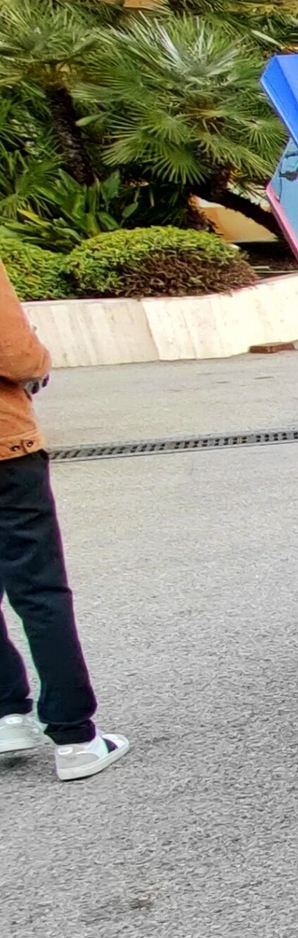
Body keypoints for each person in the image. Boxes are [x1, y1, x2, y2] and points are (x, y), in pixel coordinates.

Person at [0, 259, 128, 781]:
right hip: (6, 451)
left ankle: (7, 712)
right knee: (40, 591)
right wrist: (41, 362)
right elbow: (15, 353)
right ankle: (74, 737)